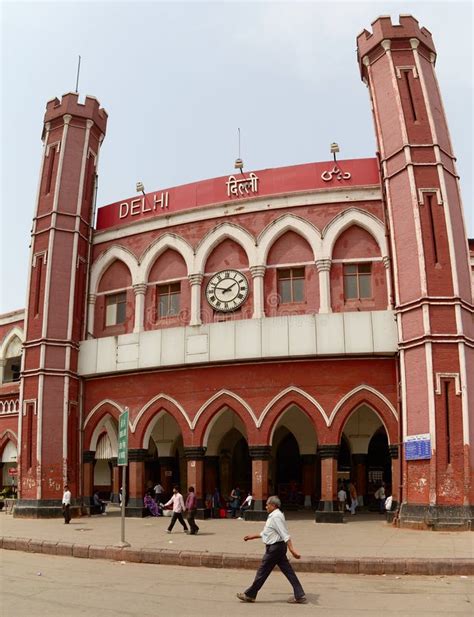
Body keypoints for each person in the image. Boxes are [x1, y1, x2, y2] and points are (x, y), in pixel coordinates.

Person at [236, 495, 307, 604]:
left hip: (275, 549)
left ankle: (250, 594)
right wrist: (252, 536)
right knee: (288, 571)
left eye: (267, 505)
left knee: (262, 571)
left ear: (273, 505)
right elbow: (268, 533)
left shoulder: (276, 517)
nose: (266, 507)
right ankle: (299, 594)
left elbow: (285, 534)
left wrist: (292, 550)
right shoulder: (274, 515)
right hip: (277, 548)